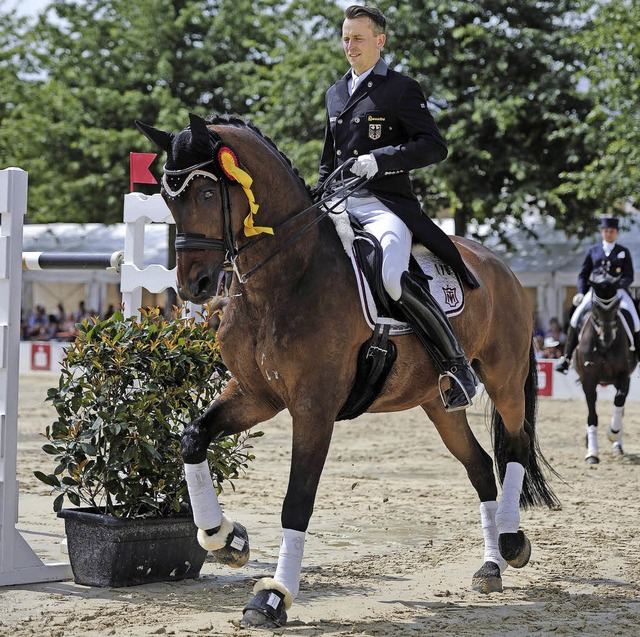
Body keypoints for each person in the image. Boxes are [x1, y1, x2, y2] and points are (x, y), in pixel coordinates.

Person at [316, 5, 478, 411]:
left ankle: (456, 364)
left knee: (390, 275)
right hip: (340, 202)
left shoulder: (401, 88)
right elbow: (327, 157)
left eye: (357, 38)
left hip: (385, 204)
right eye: (345, 37)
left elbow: (434, 146)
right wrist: (319, 197)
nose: (349, 45)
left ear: (379, 41)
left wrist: (382, 159)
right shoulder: (335, 93)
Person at [556, 216, 640, 373]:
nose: (609, 234)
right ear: (602, 232)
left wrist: (614, 286)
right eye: (606, 231)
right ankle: (566, 358)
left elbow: (629, 276)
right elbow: (583, 274)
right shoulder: (593, 250)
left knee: (636, 321)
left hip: (618, 292)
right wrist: (581, 292)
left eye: (612, 231)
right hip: (595, 292)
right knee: (575, 319)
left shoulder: (623, 251)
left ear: (616, 233)